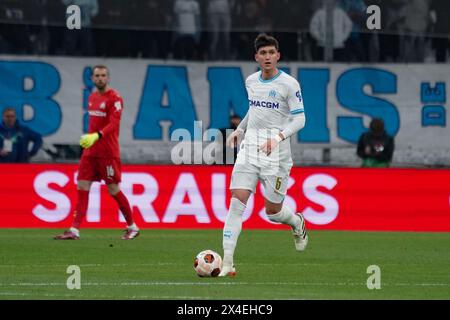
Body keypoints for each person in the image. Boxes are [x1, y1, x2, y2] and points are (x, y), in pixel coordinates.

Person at [219, 34, 308, 277]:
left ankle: (296, 222)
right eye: (263, 53)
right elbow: (254, 108)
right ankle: (227, 262)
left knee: (273, 212)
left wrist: (277, 138)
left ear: (278, 56)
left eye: (271, 52)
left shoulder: (289, 84)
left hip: (277, 154)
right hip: (250, 150)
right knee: (236, 204)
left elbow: (300, 118)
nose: (267, 57)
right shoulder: (251, 81)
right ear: (256, 57)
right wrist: (240, 130)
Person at [55, 65, 139, 240]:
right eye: (97, 76)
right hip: (90, 152)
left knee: (113, 189)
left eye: (103, 75)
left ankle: (132, 226)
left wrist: (97, 136)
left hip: (108, 152)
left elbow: (114, 123)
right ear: (92, 79)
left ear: (108, 78)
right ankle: (74, 230)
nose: (100, 78)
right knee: (82, 186)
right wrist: (90, 139)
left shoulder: (115, 98)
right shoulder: (92, 97)